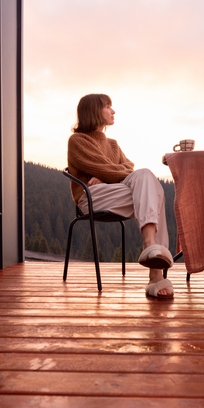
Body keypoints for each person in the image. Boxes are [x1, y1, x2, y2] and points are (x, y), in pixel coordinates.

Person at [67, 93, 174, 299]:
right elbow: (104, 167)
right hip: (92, 197)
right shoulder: (78, 141)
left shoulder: (113, 145)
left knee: (144, 176)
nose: (113, 111)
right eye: (108, 106)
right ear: (94, 111)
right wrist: (105, 175)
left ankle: (150, 247)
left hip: (113, 193)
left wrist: (106, 175)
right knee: (154, 193)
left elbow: (128, 167)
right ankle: (155, 275)